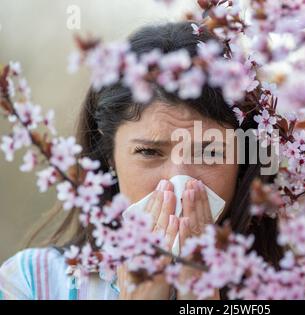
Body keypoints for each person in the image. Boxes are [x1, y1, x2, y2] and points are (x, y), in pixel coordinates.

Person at [0, 21, 283, 300]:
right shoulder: (32, 283)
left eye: (209, 153)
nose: (177, 181)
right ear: (109, 155)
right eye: (149, 152)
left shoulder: (299, 287)